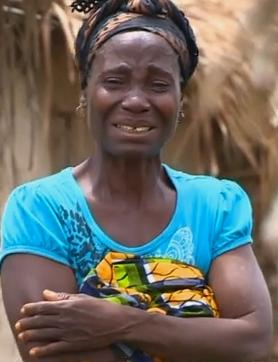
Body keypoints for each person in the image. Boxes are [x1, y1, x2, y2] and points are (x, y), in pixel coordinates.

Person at [0, 0, 273, 361]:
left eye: (159, 84)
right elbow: (49, 352)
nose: (135, 100)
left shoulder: (217, 204)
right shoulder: (41, 209)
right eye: (114, 81)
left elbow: (252, 341)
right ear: (85, 94)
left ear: (180, 101)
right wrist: (197, 335)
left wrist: (121, 323)